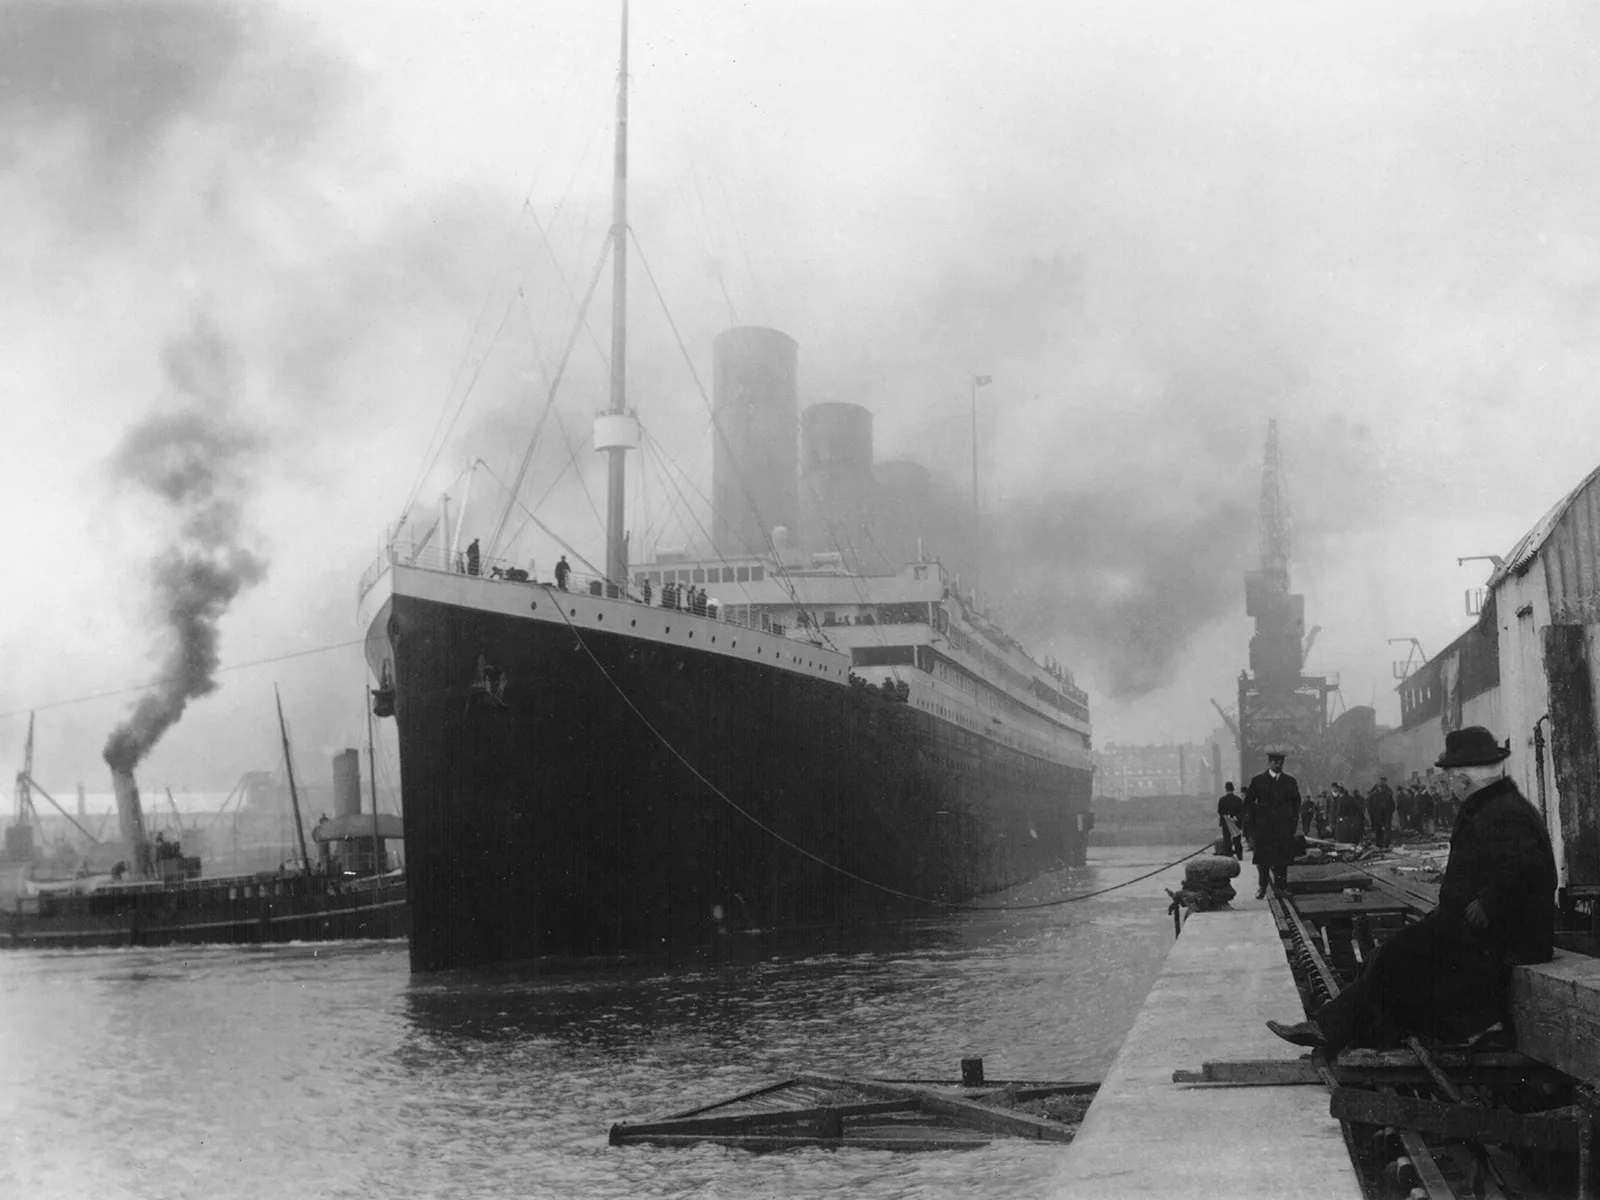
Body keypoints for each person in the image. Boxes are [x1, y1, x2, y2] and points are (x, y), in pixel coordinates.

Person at [1267, 726, 1556, 1055]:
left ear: (1464, 780)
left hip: (1506, 937)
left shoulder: (1501, 811)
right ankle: (1340, 1031)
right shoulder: (1496, 805)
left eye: (1449, 779)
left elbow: (1528, 866)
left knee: (1395, 957)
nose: (1447, 785)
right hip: (1488, 929)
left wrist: (1487, 905)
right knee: (1388, 955)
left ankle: (1332, 1029)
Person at [1243, 749, 1302, 898]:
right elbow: (1248, 802)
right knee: (1263, 861)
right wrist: (1253, 823)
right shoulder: (1258, 781)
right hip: (1264, 829)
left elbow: (1296, 802)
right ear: (1269, 763)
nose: (1278, 765)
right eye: (1275, 762)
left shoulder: (1290, 781)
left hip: (1283, 828)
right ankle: (1262, 887)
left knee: (1282, 861)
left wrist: (1292, 822)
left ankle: (1281, 888)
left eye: (1280, 762)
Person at [1367, 777, 1396, 849]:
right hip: (1377, 815)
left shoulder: (1387, 794)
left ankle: (1386, 844)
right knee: (1378, 830)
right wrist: (1372, 814)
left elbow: (1392, 805)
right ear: (1377, 787)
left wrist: (1390, 813)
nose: (1380, 788)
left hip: (1386, 815)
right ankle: (1378, 844)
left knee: (1387, 830)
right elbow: (1369, 805)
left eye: (1381, 787)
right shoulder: (1373, 795)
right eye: (1379, 787)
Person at [1217, 782, 1244, 858]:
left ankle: (1228, 855)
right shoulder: (1238, 800)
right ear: (1233, 789)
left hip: (1225, 822)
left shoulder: (1222, 800)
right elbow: (1242, 811)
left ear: (1226, 789)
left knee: (1227, 840)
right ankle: (1239, 855)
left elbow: (1220, 811)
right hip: (1236, 822)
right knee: (1237, 840)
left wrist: (1226, 817)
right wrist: (1235, 817)